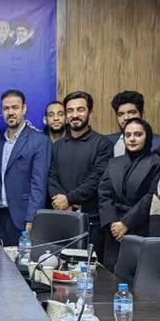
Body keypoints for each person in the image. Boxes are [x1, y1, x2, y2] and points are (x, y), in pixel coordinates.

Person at [47, 90, 111, 249]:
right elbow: (51, 177)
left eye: (80, 110)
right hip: (61, 217)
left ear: (90, 112)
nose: (75, 115)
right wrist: (62, 203)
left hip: (91, 222)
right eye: (70, 110)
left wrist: (69, 199)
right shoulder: (58, 146)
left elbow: (96, 179)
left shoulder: (103, 144)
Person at [98, 118, 160, 269]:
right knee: (111, 276)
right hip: (113, 232)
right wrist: (113, 223)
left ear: (147, 137)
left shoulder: (158, 163)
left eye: (138, 134)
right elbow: (104, 193)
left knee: (139, 275)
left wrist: (126, 223)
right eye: (128, 135)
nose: (132, 139)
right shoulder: (114, 162)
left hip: (141, 229)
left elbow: (152, 197)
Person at [0, 89, 51, 246]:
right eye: (6, 108)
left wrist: (32, 218)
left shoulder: (39, 141)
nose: (10, 112)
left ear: (24, 109)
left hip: (22, 218)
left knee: (20, 262)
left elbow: (38, 184)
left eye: (15, 107)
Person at [108, 90, 160, 157]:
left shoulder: (158, 143)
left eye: (131, 112)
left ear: (142, 114)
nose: (126, 117)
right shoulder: (107, 142)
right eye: (121, 114)